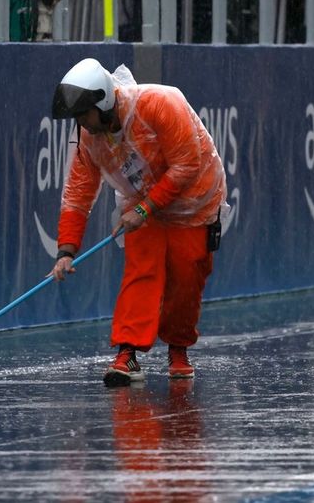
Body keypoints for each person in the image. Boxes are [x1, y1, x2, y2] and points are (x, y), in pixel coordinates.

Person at [49, 58, 229, 387]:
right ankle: (127, 351)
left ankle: (178, 347)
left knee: (187, 277)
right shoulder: (90, 139)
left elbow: (187, 165)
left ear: (103, 103)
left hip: (194, 200)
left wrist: (144, 209)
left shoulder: (161, 104)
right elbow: (77, 194)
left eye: (84, 114)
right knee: (141, 271)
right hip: (143, 205)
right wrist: (66, 251)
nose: (82, 124)